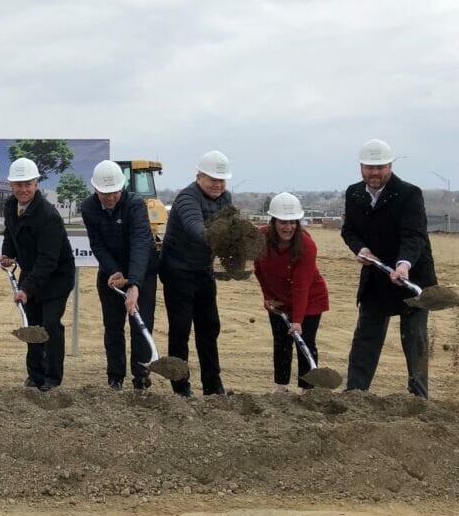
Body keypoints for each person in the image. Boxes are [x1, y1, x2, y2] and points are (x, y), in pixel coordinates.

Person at [341, 139, 436, 399]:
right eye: (369, 167)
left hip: (411, 277)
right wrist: (360, 250)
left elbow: (414, 235)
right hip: (376, 276)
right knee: (365, 339)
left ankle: (419, 400)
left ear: (390, 165)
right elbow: (349, 231)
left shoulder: (409, 194)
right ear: (361, 167)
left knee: (414, 341)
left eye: (380, 167)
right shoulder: (353, 193)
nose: (374, 173)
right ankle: (356, 395)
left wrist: (404, 265)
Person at [159, 150, 234, 397]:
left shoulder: (226, 199)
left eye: (221, 180)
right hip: (177, 272)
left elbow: (231, 226)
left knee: (209, 327)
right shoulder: (186, 198)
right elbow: (196, 229)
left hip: (203, 271)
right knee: (180, 330)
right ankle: (180, 387)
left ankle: (213, 385)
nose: (217, 184)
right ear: (199, 176)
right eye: (213, 179)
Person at [80, 160, 159, 391]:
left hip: (142, 271)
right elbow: (97, 244)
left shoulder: (135, 204)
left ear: (122, 188)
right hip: (111, 275)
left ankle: (141, 378)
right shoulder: (88, 208)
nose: (110, 197)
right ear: (95, 189)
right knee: (113, 327)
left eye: (114, 192)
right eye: (105, 193)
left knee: (140, 325)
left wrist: (133, 283)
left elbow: (141, 243)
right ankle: (115, 377)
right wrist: (114, 270)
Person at [0, 157, 76, 391]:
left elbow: (48, 261)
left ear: (36, 184)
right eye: (18, 184)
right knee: (31, 324)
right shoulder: (11, 206)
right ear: (11, 185)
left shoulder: (48, 216)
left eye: (28, 184)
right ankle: (35, 375)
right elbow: (10, 233)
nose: (23, 189)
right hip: (32, 274)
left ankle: (52, 378)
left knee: (50, 325)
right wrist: (7, 254)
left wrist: (26, 290)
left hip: (56, 278)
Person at [253, 192, 330, 393]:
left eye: (293, 222)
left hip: (310, 299)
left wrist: (297, 320)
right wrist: (268, 297)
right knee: (281, 342)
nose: (288, 227)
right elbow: (259, 270)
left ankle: (308, 388)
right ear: (273, 221)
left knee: (305, 341)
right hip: (279, 299)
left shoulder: (306, 246)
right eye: (283, 222)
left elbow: (301, 285)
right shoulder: (261, 238)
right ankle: (281, 387)